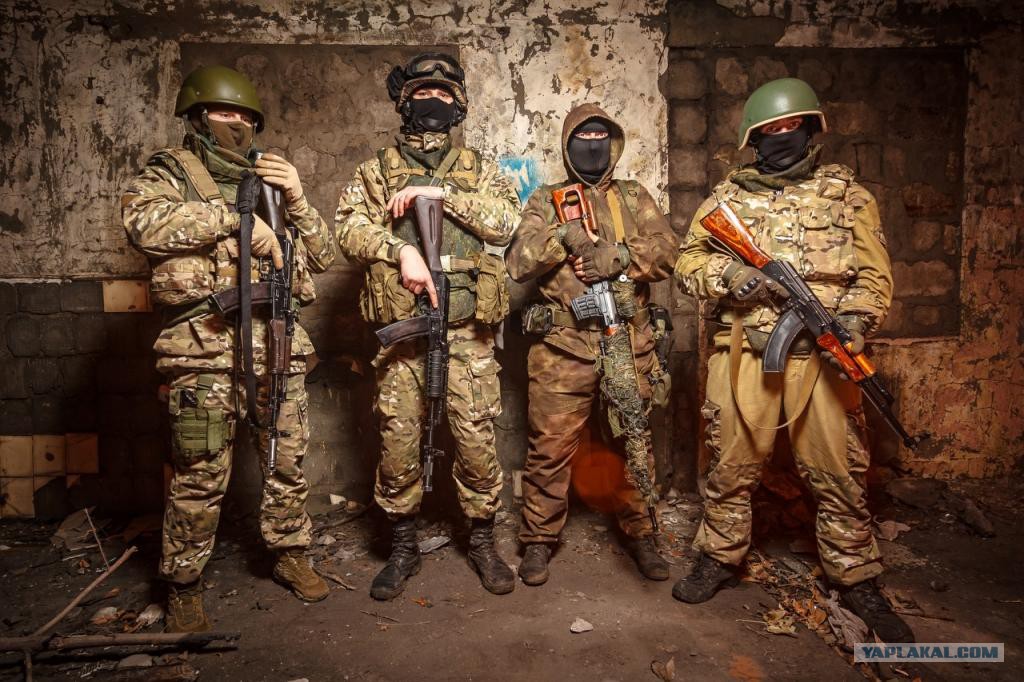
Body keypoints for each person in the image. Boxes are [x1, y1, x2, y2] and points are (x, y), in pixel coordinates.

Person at [673, 77, 913, 643]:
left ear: (811, 129)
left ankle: (854, 573)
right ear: (753, 137)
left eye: (793, 126)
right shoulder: (727, 200)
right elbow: (687, 263)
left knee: (839, 469)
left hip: (823, 360)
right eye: (772, 128)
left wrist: (856, 322)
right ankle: (719, 554)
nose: (783, 135)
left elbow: (874, 276)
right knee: (730, 464)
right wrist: (733, 275)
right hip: (743, 353)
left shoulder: (849, 197)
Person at [122, 65, 336, 632]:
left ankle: (290, 553)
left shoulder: (271, 177)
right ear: (197, 117)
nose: (235, 123)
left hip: (278, 346)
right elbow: (143, 225)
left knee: (286, 463)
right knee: (199, 474)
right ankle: (183, 584)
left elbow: (323, 256)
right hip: (204, 351)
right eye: (223, 113)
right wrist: (237, 222)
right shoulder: (171, 172)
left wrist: (296, 197)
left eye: (244, 115)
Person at [335, 53, 521, 600]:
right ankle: (403, 546)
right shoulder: (376, 171)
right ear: (404, 102)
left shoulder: (478, 168)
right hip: (405, 330)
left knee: (476, 441)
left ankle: (482, 541)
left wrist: (441, 196)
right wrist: (398, 250)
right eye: (422, 93)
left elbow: (506, 221)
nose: (433, 102)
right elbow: (348, 230)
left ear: (458, 106)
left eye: (443, 95)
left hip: (466, 331)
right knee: (398, 443)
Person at [505, 104, 678, 586]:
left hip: (628, 343)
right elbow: (518, 261)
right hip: (562, 351)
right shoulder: (546, 199)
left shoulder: (633, 197)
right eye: (584, 138)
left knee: (632, 442)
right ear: (568, 147)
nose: (593, 146)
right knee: (550, 449)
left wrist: (619, 256)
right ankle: (538, 541)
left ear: (614, 144)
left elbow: (670, 251)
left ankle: (642, 534)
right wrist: (564, 236)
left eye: (602, 137)